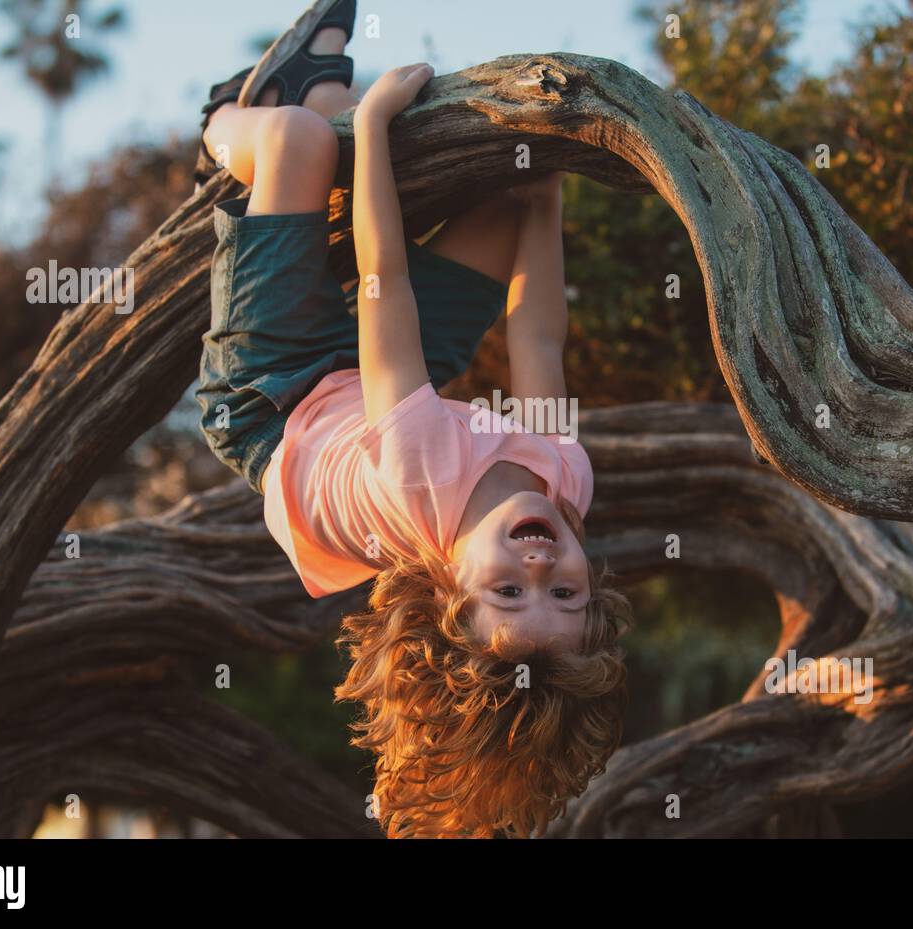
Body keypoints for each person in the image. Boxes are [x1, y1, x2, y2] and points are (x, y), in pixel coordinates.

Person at [194, 0, 631, 837]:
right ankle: (311, 101)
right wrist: (547, 187)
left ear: (448, 594)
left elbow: (380, 280)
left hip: (274, 391)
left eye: (509, 589)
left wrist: (378, 125)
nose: (539, 560)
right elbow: (537, 326)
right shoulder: (566, 479)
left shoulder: (417, 472)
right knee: (505, 209)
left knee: (297, 145)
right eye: (564, 589)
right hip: (385, 375)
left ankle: (223, 124)